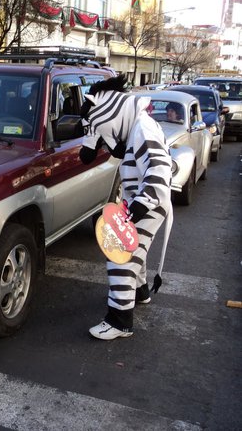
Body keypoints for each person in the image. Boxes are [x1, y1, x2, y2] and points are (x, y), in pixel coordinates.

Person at [79, 74, 172, 340]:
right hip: (144, 200)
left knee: (120, 253)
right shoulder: (138, 127)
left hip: (148, 201)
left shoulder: (143, 127)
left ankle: (119, 320)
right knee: (134, 248)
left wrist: (142, 204)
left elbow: (159, 169)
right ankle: (140, 292)